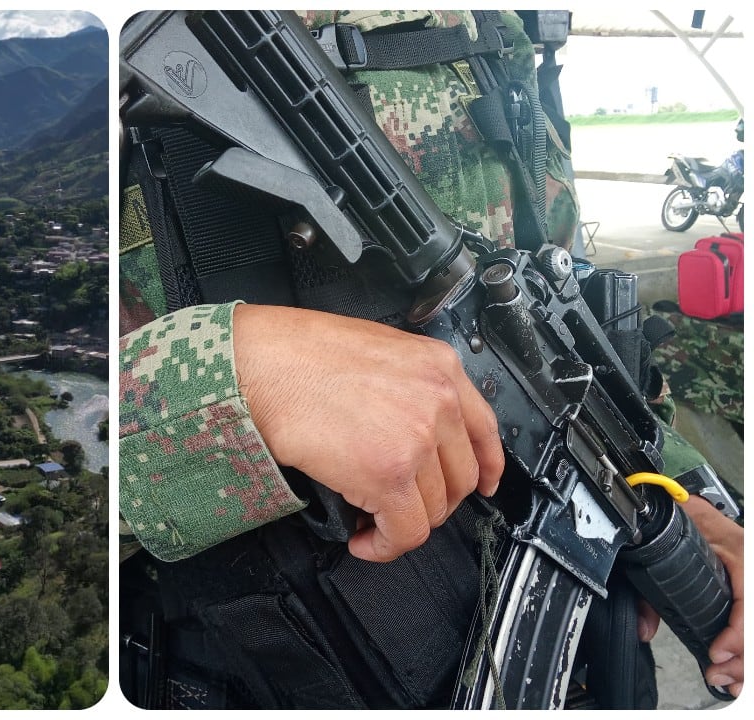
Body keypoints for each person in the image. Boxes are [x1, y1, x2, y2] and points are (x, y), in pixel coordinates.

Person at [119, 9, 743, 708]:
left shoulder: (491, 28)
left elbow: (561, 326)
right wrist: (231, 384)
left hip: (581, 645)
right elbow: (36, 442)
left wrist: (669, 497)